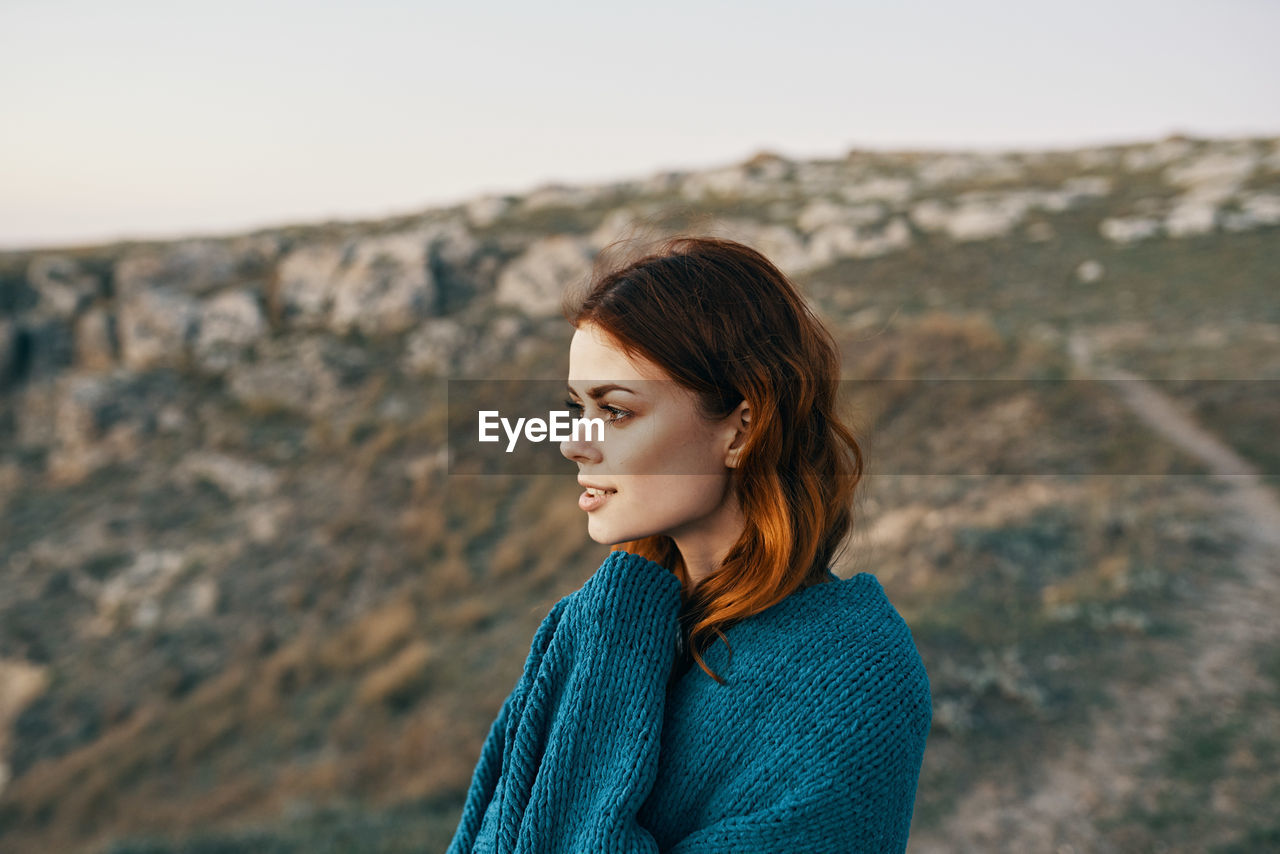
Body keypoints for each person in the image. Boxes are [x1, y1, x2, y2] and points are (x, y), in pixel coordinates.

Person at [447, 235, 932, 853]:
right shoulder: (593, 628)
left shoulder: (854, 676)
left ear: (742, 428)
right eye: (576, 407)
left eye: (616, 411)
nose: (574, 443)